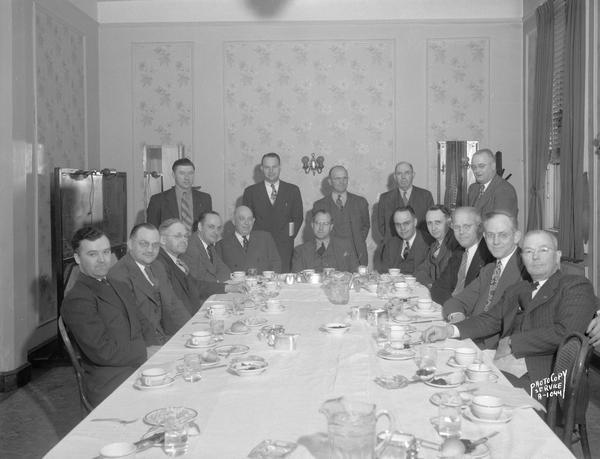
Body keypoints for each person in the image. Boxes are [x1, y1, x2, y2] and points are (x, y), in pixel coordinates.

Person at [423, 230, 596, 393]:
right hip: (506, 365)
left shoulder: (574, 285)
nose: (535, 257)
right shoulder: (518, 289)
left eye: (543, 250)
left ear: (557, 256)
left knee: (473, 389)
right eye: (528, 251)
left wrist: (514, 342)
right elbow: (490, 320)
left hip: (547, 379)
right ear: (522, 258)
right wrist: (449, 330)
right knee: (445, 373)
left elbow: (566, 332)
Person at [61, 227, 148, 407]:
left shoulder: (118, 284)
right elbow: (103, 352)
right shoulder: (77, 299)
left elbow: (142, 323)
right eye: (92, 254)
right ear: (77, 258)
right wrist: (146, 351)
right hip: (111, 381)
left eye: (106, 252)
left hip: (139, 366)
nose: (102, 260)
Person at [443, 211, 530, 348]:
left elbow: (510, 324)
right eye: (490, 235)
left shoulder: (527, 269)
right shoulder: (489, 270)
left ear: (516, 237)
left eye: (503, 235)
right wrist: (457, 317)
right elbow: (455, 302)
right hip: (471, 337)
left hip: (497, 349)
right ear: (484, 236)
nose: (495, 241)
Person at [109, 223, 191, 343]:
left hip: (168, 338)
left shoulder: (158, 266)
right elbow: (132, 324)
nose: (150, 250)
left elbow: (174, 305)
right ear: (130, 244)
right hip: (145, 346)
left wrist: (192, 330)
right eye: (143, 244)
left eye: (155, 245)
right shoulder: (118, 276)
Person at [156, 219, 238, 316]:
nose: (183, 240)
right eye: (178, 236)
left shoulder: (176, 261)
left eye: (185, 236)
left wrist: (227, 287)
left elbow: (195, 285)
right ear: (162, 240)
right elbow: (171, 306)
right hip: (182, 323)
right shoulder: (159, 264)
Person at [242, 153, 303, 271]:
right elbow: (247, 221)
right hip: (258, 247)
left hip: (284, 247)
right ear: (261, 169)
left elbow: (297, 218)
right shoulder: (251, 192)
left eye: (274, 167)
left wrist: (288, 237)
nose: (271, 171)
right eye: (267, 167)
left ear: (280, 167)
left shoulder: (292, 190)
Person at [430, 207, 494, 304]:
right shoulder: (459, 252)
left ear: (480, 227)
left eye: (466, 226)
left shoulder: (490, 255)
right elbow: (438, 288)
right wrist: (454, 307)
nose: (461, 232)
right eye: (456, 227)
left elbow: (482, 300)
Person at [312, 165, 370, 265]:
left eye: (344, 178)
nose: (341, 182)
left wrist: (357, 242)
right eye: (337, 178)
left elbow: (365, 226)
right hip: (330, 257)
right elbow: (318, 232)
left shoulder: (360, 202)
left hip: (357, 257)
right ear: (330, 181)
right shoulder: (319, 205)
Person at [146, 158, 212, 230]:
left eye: (190, 173)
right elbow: (152, 232)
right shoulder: (157, 201)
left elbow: (208, 229)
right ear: (173, 175)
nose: (187, 177)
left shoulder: (205, 199)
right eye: (182, 173)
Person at [377, 162, 434, 242]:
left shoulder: (426, 196)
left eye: (407, 173)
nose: (403, 177)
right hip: (393, 246)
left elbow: (431, 223)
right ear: (395, 177)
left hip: (420, 245)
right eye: (399, 173)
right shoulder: (385, 198)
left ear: (413, 175)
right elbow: (381, 226)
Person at [216, 206, 281, 274]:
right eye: (242, 219)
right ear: (234, 221)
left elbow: (276, 264)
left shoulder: (265, 238)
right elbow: (219, 272)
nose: (246, 223)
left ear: (253, 221)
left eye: (249, 219)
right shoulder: (221, 245)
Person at [292, 210, 359, 273]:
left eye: (325, 224)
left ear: (331, 226)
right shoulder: (300, 251)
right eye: (317, 223)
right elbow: (297, 282)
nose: (321, 228)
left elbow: (355, 275)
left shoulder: (345, 246)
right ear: (312, 225)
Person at [414, 205, 460, 288]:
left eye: (437, 222)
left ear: (449, 222)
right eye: (429, 223)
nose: (433, 228)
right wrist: (430, 284)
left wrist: (433, 286)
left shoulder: (457, 244)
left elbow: (452, 281)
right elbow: (420, 271)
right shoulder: (434, 245)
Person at [182, 211, 231, 283]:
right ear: (200, 227)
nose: (216, 232)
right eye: (211, 227)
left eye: (218, 228)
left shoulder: (209, 245)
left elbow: (225, 270)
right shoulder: (190, 247)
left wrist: (217, 280)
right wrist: (218, 281)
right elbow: (200, 280)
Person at [468, 149, 518, 218]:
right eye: (474, 167)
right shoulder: (473, 188)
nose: (477, 170)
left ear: (493, 166)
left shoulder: (504, 190)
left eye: (481, 166)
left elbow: (500, 225)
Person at [380, 206, 429, 274]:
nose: (402, 228)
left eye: (406, 223)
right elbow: (384, 274)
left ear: (415, 222)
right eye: (398, 224)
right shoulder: (390, 245)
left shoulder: (429, 243)